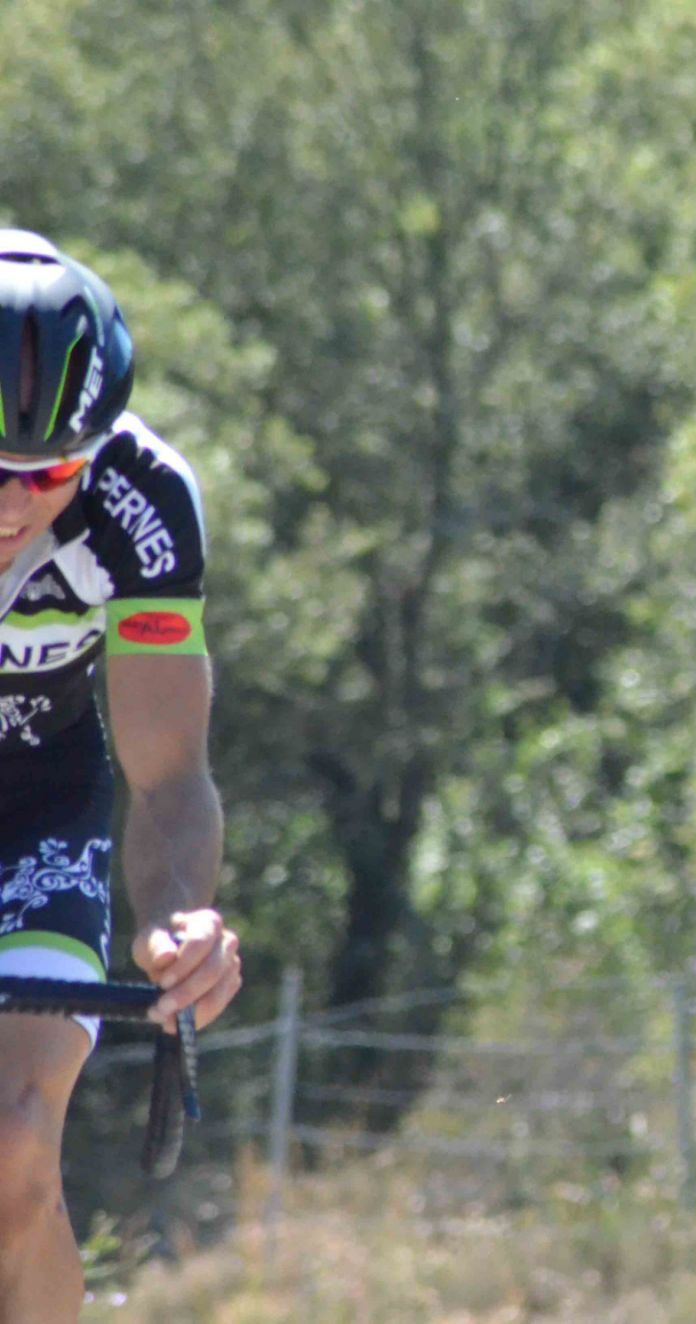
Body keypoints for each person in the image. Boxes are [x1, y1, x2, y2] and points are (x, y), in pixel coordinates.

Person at [0, 230, 242, 1321]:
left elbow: (170, 776)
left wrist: (181, 922)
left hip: (38, 808)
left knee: (12, 1141)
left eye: (51, 472)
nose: (14, 506)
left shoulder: (143, 501)